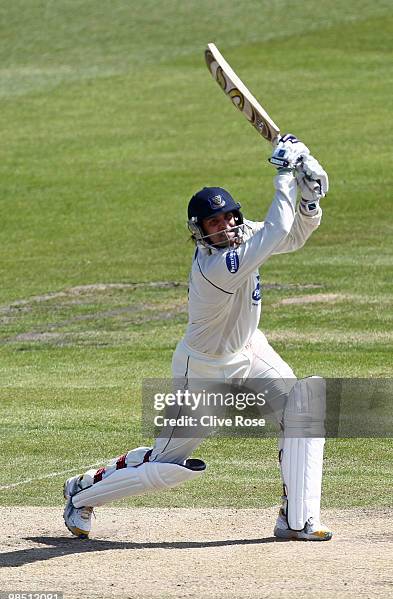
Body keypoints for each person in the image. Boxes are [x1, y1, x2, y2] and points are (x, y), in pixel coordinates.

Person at [63, 134, 332, 541]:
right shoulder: (216, 267)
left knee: (302, 408)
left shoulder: (243, 237)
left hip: (250, 348)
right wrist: (284, 175)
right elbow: (276, 231)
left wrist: (309, 201)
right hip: (204, 369)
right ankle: (82, 494)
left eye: (229, 218)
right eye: (213, 222)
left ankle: (298, 519)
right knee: (166, 465)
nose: (225, 226)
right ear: (200, 231)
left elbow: (291, 235)